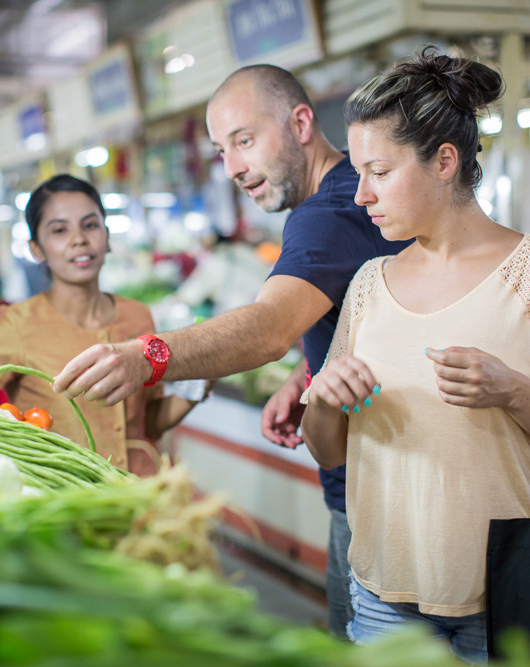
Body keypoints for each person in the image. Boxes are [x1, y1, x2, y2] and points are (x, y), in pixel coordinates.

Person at [52, 65, 410, 636]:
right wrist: (308, 372)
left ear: (299, 123)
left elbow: (268, 327)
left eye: (244, 141)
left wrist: (148, 355)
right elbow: (385, 312)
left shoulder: (324, 215)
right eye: (221, 150)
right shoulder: (349, 195)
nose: (233, 169)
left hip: (380, 503)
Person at [299, 47, 529, 663]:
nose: (361, 194)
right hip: (382, 598)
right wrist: (322, 396)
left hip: (505, 596)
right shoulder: (370, 283)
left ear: (444, 162)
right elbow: (329, 449)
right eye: (358, 172)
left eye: (379, 171)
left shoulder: (525, 274)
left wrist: (512, 390)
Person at [0, 174, 207, 477]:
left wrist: (201, 380)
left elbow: (147, 422)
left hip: (140, 498)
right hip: (65, 505)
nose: (79, 239)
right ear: (37, 249)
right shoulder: (17, 323)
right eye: (60, 230)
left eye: (90, 225)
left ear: (107, 235)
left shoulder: (138, 315)